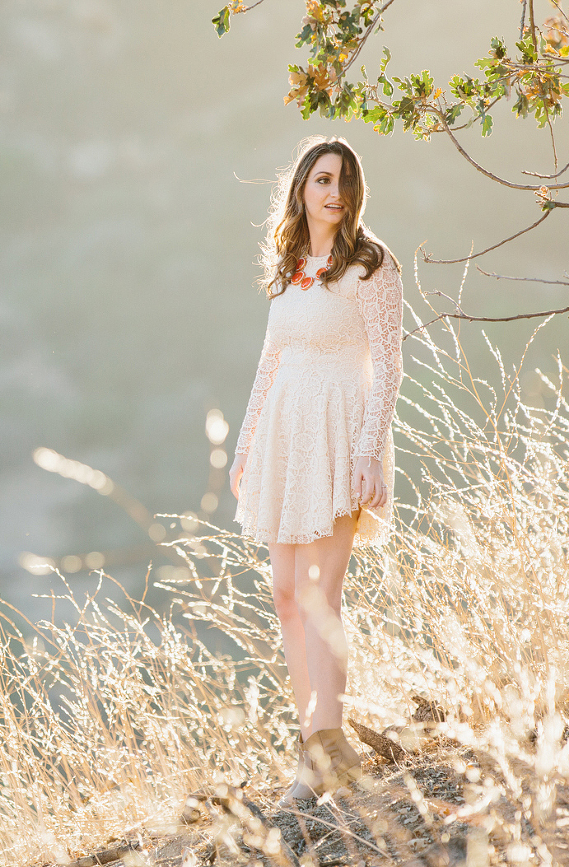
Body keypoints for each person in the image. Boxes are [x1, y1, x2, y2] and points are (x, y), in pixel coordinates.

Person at [228, 136, 403, 806]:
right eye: (323, 179)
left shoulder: (370, 264)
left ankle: (324, 751)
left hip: (338, 430)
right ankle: (314, 743)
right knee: (281, 590)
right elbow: (268, 361)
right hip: (283, 432)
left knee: (319, 594)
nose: (335, 192)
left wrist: (366, 451)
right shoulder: (289, 265)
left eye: (345, 181)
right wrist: (246, 446)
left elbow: (386, 366)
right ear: (301, 187)